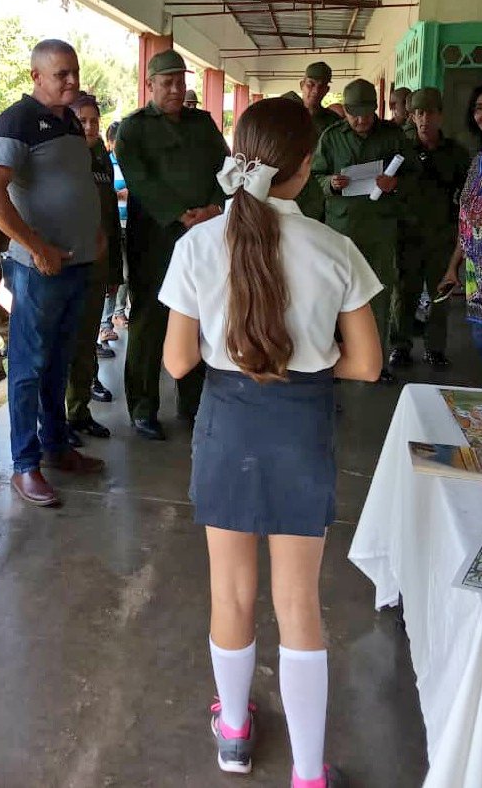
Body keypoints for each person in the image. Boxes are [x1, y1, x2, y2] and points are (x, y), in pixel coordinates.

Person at [160, 97, 382, 787]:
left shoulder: (198, 245)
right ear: (307, 165)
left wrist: (244, 361)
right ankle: (308, 773)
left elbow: (177, 362)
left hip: (227, 425)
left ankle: (233, 733)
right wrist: (302, 365)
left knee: (230, 594)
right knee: (299, 602)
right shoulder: (336, 249)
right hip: (300, 427)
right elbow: (367, 365)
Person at [0, 39, 105, 507]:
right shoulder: (17, 121)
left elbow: (73, 184)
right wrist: (37, 248)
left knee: (58, 361)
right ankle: (25, 465)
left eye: (74, 71)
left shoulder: (71, 120)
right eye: (60, 74)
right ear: (35, 76)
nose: (72, 81)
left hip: (76, 264)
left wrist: (94, 231)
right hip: (38, 269)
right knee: (28, 367)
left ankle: (56, 446)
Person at [115, 49, 230, 439]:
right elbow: (140, 180)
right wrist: (180, 213)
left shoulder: (202, 124)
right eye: (168, 83)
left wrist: (214, 206)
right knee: (148, 321)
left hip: (202, 236)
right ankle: (143, 408)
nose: (177, 90)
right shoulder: (133, 129)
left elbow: (225, 168)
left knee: (199, 316)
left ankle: (193, 403)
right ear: (150, 84)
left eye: (181, 82)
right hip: (155, 239)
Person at [312, 78, 419, 382]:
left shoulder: (392, 136)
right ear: (345, 111)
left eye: (366, 114)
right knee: (334, 293)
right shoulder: (331, 137)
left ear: (376, 109)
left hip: (379, 228)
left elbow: (415, 173)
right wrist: (330, 183)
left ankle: (377, 363)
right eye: (354, 115)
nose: (360, 121)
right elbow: (314, 176)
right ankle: (332, 361)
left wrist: (395, 183)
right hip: (341, 228)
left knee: (378, 294)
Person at [389, 88, 470, 369]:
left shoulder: (455, 153)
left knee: (441, 294)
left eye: (430, 113)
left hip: (441, 235)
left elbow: (467, 195)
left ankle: (435, 348)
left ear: (441, 116)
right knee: (404, 293)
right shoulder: (401, 149)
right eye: (419, 113)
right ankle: (400, 346)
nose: (424, 119)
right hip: (407, 234)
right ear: (412, 116)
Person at [65, 93, 122, 444]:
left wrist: (114, 269)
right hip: (68, 267)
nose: (89, 127)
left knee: (86, 346)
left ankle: (79, 412)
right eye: (81, 120)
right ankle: (57, 423)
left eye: (94, 121)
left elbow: (110, 215)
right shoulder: (60, 155)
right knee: (65, 347)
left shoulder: (100, 156)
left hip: (97, 266)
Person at [439, 82, 482, 380]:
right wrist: (452, 266)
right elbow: (467, 221)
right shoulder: (477, 161)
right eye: (479, 108)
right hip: (476, 277)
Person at [293, 62, 341, 221]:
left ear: (327, 90)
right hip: (288, 187)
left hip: (319, 191)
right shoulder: (286, 115)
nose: (315, 91)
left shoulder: (334, 122)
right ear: (302, 84)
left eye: (321, 86)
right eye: (310, 84)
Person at [98, 120, 129, 358]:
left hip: (130, 224)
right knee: (110, 277)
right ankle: (105, 324)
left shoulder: (131, 164)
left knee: (124, 276)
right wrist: (119, 195)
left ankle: (117, 313)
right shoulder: (105, 164)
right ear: (110, 143)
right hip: (111, 226)